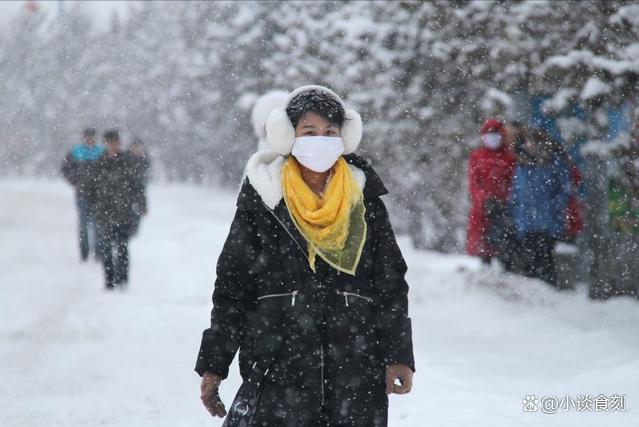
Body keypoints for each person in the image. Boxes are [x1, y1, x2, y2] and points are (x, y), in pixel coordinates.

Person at [196, 85, 414, 426]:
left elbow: (389, 283)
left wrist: (398, 354)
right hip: (277, 370)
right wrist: (214, 364)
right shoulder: (264, 197)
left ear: (345, 137)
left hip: (356, 372)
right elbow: (232, 287)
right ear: (288, 137)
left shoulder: (363, 198)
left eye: (330, 132)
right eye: (309, 132)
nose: (321, 140)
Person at [510, 126, 571, 286]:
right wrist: (517, 213)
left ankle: (549, 294)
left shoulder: (553, 162)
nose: (529, 145)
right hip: (527, 222)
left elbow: (564, 189)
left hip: (548, 222)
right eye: (526, 142)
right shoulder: (522, 164)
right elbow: (516, 192)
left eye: (532, 141)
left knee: (546, 260)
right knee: (529, 262)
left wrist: (553, 207)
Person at [86, 130, 138, 290]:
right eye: (110, 142)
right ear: (106, 144)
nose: (113, 145)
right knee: (106, 248)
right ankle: (109, 280)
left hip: (124, 211)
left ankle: (123, 279)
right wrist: (93, 204)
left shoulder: (128, 161)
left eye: (115, 142)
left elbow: (137, 185)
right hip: (104, 212)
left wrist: (140, 204)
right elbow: (90, 187)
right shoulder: (99, 163)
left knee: (122, 246)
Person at [466, 118, 516, 269]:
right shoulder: (477, 156)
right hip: (483, 207)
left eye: (495, 134)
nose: (492, 138)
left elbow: (513, 181)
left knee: (503, 238)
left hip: (504, 206)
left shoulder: (509, 157)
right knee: (484, 238)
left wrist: (503, 198)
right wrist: (484, 198)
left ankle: (504, 266)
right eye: (489, 134)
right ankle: (485, 264)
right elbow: (474, 182)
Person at [61, 127, 105, 261]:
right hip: (82, 194)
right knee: (84, 224)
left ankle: (98, 251)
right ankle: (84, 251)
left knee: (98, 223)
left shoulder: (101, 152)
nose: (89, 140)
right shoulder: (76, 152)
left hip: (98, 194)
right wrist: (76, 181)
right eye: (87, 137)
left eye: (91, 137)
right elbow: (65, 169)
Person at [127, 138, 151, 237]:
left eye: (139, 147)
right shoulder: (126, 159)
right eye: (135, 147)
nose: (138, 149)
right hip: (126, 193)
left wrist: (144, 205)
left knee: (136, 218)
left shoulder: (144, 161)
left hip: (138, 193)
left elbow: (142, 184)